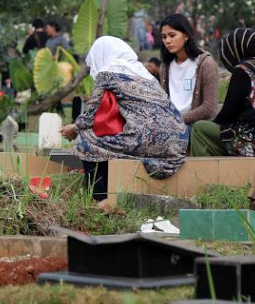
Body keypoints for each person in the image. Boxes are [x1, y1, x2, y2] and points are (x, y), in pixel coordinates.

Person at [60, 36, 187, 201]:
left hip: (149, 138)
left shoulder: (108, 73)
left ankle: (99, 198)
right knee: (107, 141)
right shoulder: (142, 72)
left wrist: (74, 128)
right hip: (179, 139)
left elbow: (92, 114)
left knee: (87, 142)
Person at [191, 28, 255, 157]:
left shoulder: (243, 71)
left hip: (253, 143)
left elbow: (227, 114)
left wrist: (212, 123)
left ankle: (205, 175)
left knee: (200, 129)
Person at [159, 14, 219, 127]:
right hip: (169, 125)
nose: (167, 41)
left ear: (186, 35)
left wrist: (176, 119)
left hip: (195, 126)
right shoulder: (165, 66)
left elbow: (209, 108)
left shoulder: (206, 64)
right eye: (164, 37)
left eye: (172, 35)